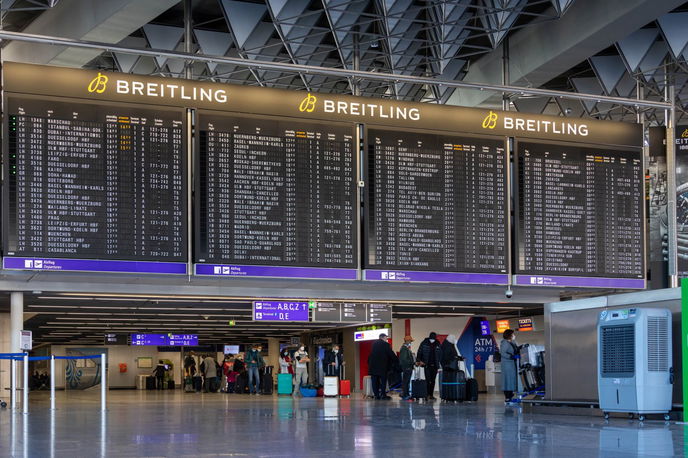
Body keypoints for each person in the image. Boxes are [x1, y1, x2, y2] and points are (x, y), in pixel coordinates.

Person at [368, 333, 398, 400]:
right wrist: (396, 360)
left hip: (373, 366)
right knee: (383, 381)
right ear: (383, 337)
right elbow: (390, 354)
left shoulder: (374, 344)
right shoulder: (385, 344)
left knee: (374, 381)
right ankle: (383, 395)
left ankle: (376, 395)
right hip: (382, 366)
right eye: (386, 338)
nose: (386, 339)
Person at [416, 332, 442, 400]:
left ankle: (431, 395)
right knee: (428, 380)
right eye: (431, 339)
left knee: (433, 381)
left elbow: (440, 354)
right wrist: (419, 360)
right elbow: (419, 352)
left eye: (433, 339)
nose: (432, 340)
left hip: (435, 365)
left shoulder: (438, 343)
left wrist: (440, 364)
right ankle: (427, 395)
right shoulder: (424, 343)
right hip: (426, 364)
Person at [500, 329, 520, 403]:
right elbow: (502, 353)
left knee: (511, 380)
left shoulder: (512, 342)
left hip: (511, 364)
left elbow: (516, 349)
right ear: (509, 335)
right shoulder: (505, 343)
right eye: (513, 334)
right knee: (507, 380)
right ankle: (507, 396)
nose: (514, 335)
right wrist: (511, 356)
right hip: (507, 364)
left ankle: (510, 395)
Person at [399, 336, 416, 400]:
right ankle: (405, 395)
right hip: (407, 367)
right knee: (406, 381)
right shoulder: (404, 349)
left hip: (408, 367)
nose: (411, 342)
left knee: (407, 381)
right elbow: (404, 359)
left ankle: (406, 394)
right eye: (410, 341)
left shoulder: (406, 348)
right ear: (407, 341)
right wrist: (412, 362)